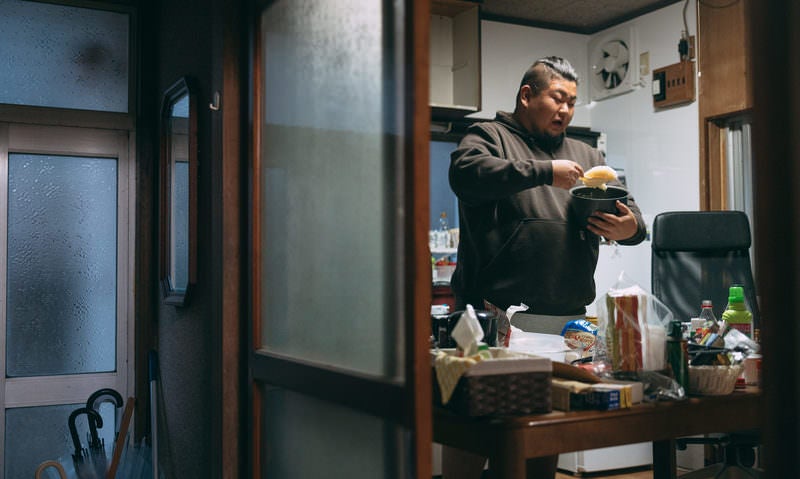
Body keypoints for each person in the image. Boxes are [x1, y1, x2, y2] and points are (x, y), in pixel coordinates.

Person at [442, 56, 647, 479]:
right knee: (476, 431)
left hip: (566, 323)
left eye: (572, 102)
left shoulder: (586, 154)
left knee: (545, 434)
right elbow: (465, 174)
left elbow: (632, 216)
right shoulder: (489, 136)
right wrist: (543, 172)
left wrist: (630, 227)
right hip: (496, 320)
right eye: (558, 98)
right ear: (527, 95)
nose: (566, 110)